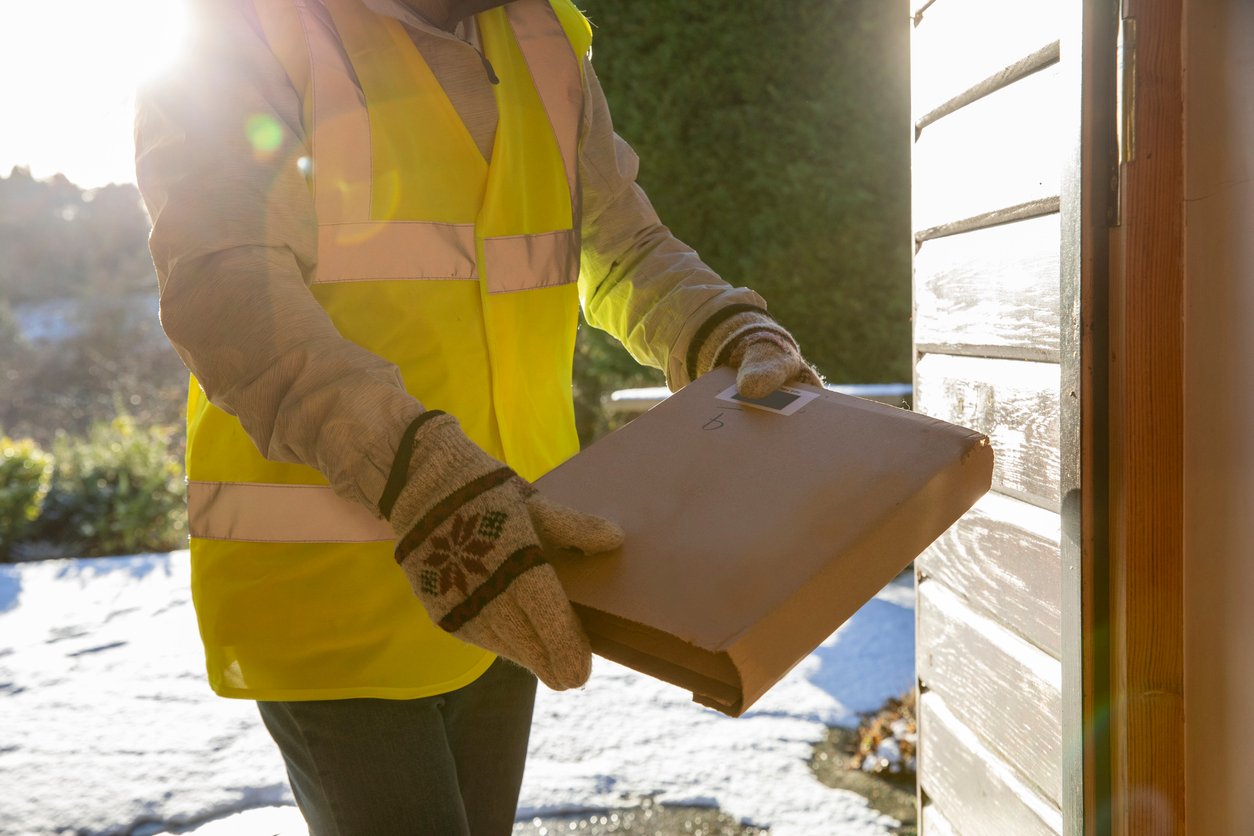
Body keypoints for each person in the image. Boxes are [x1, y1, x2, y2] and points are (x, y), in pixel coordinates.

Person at [134, 0, 821, 832]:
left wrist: (720, 325)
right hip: (329, 584)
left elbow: (620, 244)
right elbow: (225, 289)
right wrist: (421, 475)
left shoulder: (545, 38)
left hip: (508, 556)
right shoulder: (248, 27)